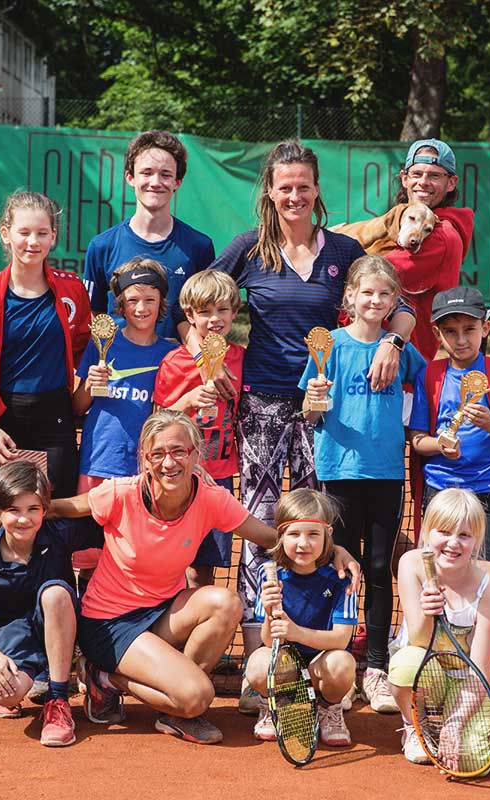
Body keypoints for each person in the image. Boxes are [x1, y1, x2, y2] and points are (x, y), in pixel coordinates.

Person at [0, 410, 362, 745]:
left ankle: (170, 702)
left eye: (179, 451)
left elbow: (273, 537)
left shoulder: (211, 498)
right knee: (198, 696)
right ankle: (111, 677)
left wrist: (333, 549)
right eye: (159, 453)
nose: (169, 462)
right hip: (109, 623)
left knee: (226, 603)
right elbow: (52, 508)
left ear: (195, 454)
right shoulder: (119, 493)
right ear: (146, 458)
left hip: (164, 613)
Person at [207, 140, 415, 711]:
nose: (294, 196)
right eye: (285, 187)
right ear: (269, 192)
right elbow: (198, 300)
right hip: (261, 403)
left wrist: (393, 343)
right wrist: (208, 355)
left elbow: (398, 304)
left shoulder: (344, 250)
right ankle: (262, 658)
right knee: (259, 521)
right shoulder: (248, 248)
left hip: (325, 411)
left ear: (317, 189)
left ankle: (316, 655)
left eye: (303, 186)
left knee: (314, 528)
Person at [300, 255, 426, 713]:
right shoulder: (329, 345)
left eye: (384, 294)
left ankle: (375, 668)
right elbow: (309, 413)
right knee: (338, 566)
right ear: (350, 296)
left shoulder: (402, 351)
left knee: (376, 567)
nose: (375, 300)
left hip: (387, 473)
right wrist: (314, 400)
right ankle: (336, 666)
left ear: (394, 302)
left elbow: (430, 384)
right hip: (339, 473)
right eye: (367, 292)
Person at [0, 190, 92, 526]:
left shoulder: (72, 290)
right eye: (24, 232)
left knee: (51, 522)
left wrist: (92, 384)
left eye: (42, 233)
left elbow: (85, 350)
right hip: (1, 426)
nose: (33, 242)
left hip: (54, 425)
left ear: (53, 237)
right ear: (5, 233)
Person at [407, 286, 490, 662]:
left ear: (485, 328)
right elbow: (417, 440)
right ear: (438, 333)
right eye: (450, 331)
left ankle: (489, 664)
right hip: (442, 492)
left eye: (469, 329)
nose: (460, 339)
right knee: (437, 579)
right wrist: (439, 445)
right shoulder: (430, 374)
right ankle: (439, 655)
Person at [0, 461, 104, 747]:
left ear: (45, 510)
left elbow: (113, 523)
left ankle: (58, 700)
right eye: (13, 510)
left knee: (55, 593)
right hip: (12, 634)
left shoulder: (59, 532)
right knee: (8, 695)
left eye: (33, 509)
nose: (24, 519)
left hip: (57, 623)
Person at [71, 257, 178, 584]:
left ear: (161, 302)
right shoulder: (103, 344)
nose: (141, 308)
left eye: (149, 299)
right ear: (121, 304)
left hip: (143, 471)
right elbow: (78, 406)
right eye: (132, 300)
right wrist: (90, 383)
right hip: (98, 464)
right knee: (89, 560)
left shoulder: (171, 353)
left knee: (133, 559)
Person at [387, 488, 490, 764]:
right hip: (427, 673)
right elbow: (418, 640)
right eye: (444, 532)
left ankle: (451, 726)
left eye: (464, 535)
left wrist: (456, 723)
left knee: (473, 760)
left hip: (468, 684)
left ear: (477, 541)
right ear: (427, 532)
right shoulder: (411, 563)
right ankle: (416, 725)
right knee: (405, 664)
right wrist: (428, 613)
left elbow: (480, 672)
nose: (453, 543)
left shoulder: (487, 590)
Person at [153, 269, 245, 587]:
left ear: (234, 312)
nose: (214, 319)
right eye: (205, 312)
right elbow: (156, 423)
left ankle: (198, 618)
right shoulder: (175, 362)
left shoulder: (242, 359)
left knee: (203, 568)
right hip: (177, 477)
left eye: (222, 310)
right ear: (190, 315)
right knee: (168, 562)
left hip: (219, 477)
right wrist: (189, 400)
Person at [246, 489, 358, 748]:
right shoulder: (269, 573)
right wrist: (270, 612)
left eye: (313, 534)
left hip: (323, 661)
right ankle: (272, 704)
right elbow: (268, 641)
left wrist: (296, 632)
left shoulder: (341, 578)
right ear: (281, 536)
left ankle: (329, 707)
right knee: (258, 665)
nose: (303, 543)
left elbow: (341, 640)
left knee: (342, 664)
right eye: (294, 534)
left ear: (328, 534)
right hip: (284, 660)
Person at [83, 130, 215, 341]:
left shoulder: (199, 247)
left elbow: (206, 313)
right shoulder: (101, 246)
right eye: (146, 172)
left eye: (165, 174)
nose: (155, 182)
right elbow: (93, 312)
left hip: (179, 361)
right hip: (119, 362)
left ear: (178, 182)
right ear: (130, 177)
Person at [384, 139, 476, 359]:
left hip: (400, 361)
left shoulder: (441, 235)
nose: (423, 182)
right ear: (404, 178)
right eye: (416, 174)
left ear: (451, 182)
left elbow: (371, 274)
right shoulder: (405, 220)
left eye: (434, 176)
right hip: (375, 353)